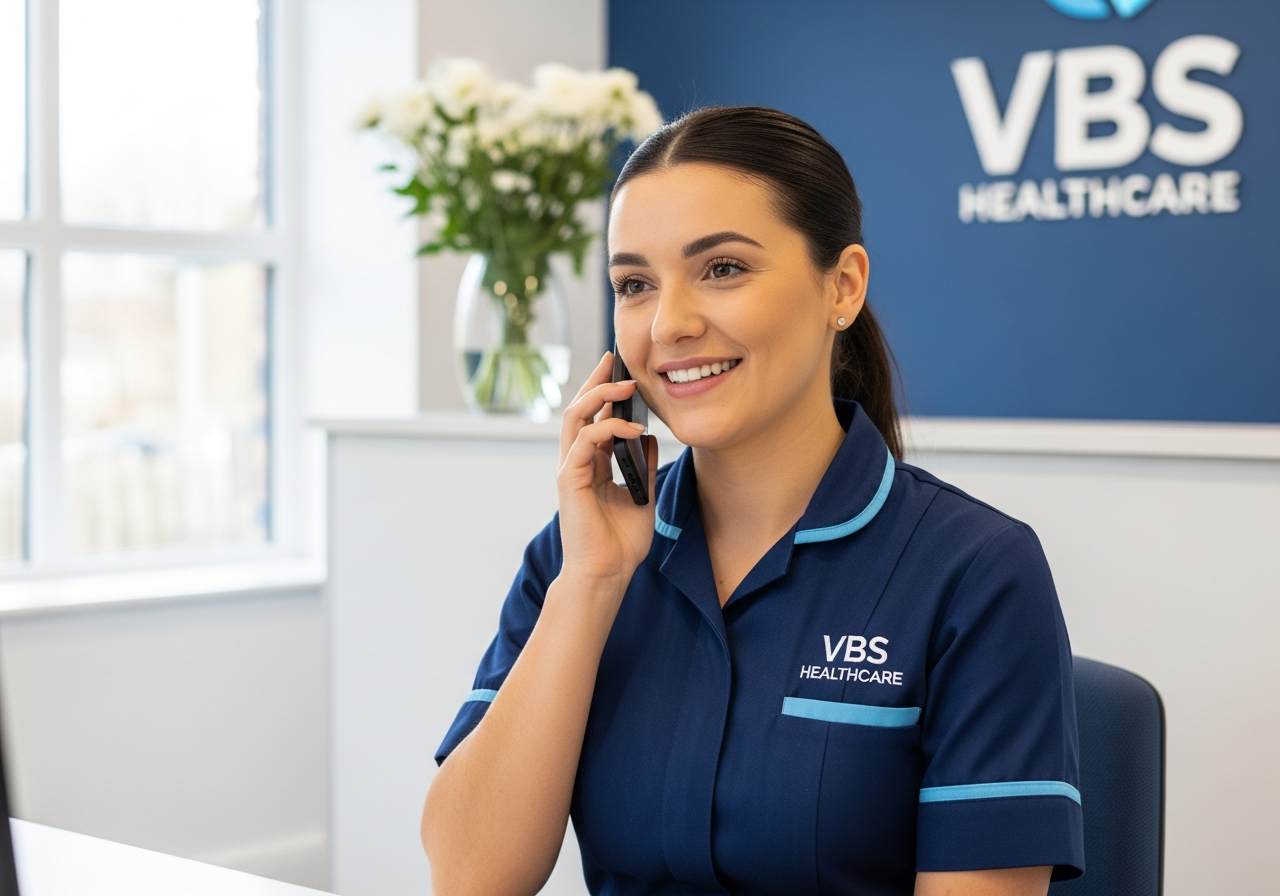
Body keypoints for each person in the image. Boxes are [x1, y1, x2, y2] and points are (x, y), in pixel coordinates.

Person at [422, 106, 1084, 896]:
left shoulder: (975, 573)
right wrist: (592, 585)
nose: (670, 323)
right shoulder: (577, 555)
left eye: (723, 269)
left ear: (841, 287)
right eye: (634, 284)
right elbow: (469, 878)